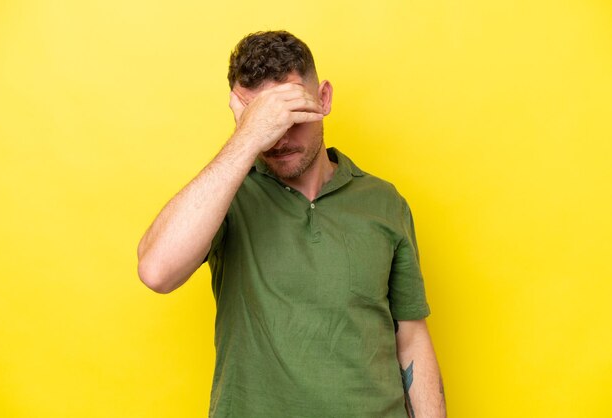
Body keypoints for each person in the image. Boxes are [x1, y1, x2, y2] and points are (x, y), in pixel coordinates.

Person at [137, 30, 446, 418]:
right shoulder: (225, 196)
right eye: (265, 118)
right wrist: (248, 137)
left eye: (293, 114)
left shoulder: (384, 202)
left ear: (323, 98)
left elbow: (412, 338)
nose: (279, 137)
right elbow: (156, 271)